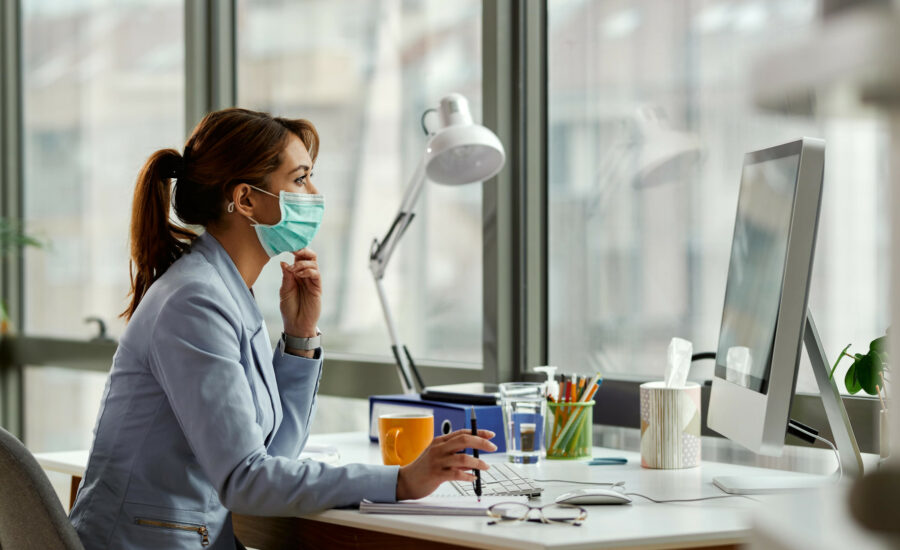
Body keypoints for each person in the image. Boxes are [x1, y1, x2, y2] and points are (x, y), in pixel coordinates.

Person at [68, 108, 496, 549]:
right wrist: (401, 480)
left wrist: (300, 337)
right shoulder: (194, 301)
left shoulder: (224, 290)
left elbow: (272, 458)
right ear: (246, 200)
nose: (314, 193)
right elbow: (245, 480)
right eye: (299, 179)